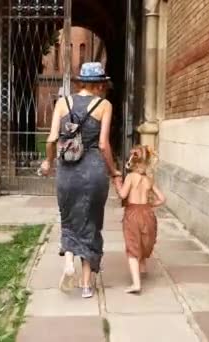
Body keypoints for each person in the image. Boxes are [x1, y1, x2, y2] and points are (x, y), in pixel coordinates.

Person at [40, 62, 121, 299]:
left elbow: (52, 138)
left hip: (67, 171)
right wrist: (114, 171)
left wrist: (49, 162)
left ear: (81, 82)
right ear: (101, 84)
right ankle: (86, 285)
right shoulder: (104, 105)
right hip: (94, 171)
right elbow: (104, 145)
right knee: (91, 222)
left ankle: (68, 263)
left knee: (68, 219)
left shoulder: (63, 103)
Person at [112, 145, 166, 294]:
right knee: (143, 241)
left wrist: (117, 183)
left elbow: (123, 195)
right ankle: (142, 268)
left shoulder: (130, 177)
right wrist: (150, 205)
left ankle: (136, 284)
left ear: (133, 162)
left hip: (133, 213)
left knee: (132, 247)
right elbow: (162, 199)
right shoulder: (148, 180)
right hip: (147, 213)